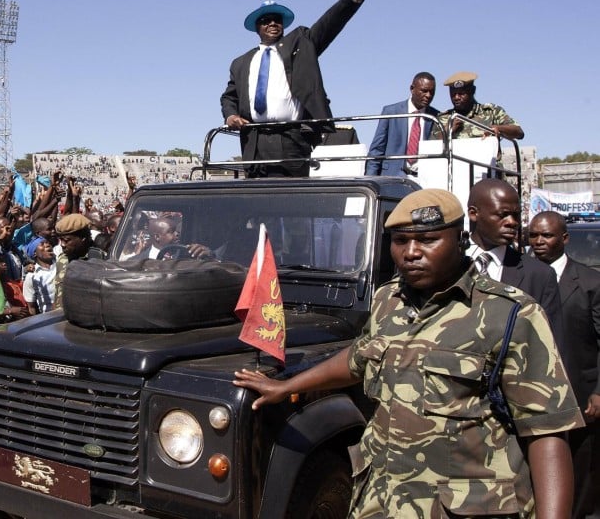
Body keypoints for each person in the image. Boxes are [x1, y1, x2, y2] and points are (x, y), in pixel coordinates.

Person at [234, 188, 582, 516]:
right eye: (400, 241)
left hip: (463, 508)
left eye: (428, 240)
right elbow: (360, 357)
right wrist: (287, 386)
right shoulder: (389, 299)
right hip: (381, 503)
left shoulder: (510, 314)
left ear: (460, 240)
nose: (411, 252)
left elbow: (547, 433)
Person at [220, 0, 376, 177]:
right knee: (257, 204)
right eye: (266, 20)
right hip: (253, 142)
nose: (273, 23)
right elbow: (229, 97)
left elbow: (329, 23)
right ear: (257, 28)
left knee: (291, 201)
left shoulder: (301, 43)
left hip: (291, 139)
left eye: (277, 19)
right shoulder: (241, 63)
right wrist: (230, 116)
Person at [529, 210, 600, 518]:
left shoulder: (589, 282)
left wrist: (599, 390)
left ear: (564, 239)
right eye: (533, 235)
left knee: (583, 472)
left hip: (582, 397)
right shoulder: (523, 278)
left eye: (546, 235)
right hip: (534, 396)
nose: (539, 241)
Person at [466, 178, 564, 336]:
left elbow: (552, 342)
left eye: (516, 215)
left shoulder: (540, 276)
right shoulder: (445, 267)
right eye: (503, 215)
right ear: (473, 213)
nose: (512, 222)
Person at [364, 72, 440, 177]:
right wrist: (370, 179)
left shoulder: (436, 117)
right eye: (424, 91)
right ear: (412, 89)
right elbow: (377, 149)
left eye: (432, 92)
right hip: (392, 177)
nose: (428, 95)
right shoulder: (391, 112)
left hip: (424, 179)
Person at [431, 71, 525, 140]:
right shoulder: (443, 118)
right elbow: (430, 147)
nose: (456, 97)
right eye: (453, 94)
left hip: (488, 165)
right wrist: (448, 130)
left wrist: (497, 128)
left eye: (461, 93)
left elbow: (519, 132)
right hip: (454, 165)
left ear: (472, 91)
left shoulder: (491, 112)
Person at [53, 213, 105, 305]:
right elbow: (58, 293)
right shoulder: (63, 259)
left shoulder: (100, 259)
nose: (62, 244)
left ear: (83, 238)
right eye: (60, 240)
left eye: (67, 240)